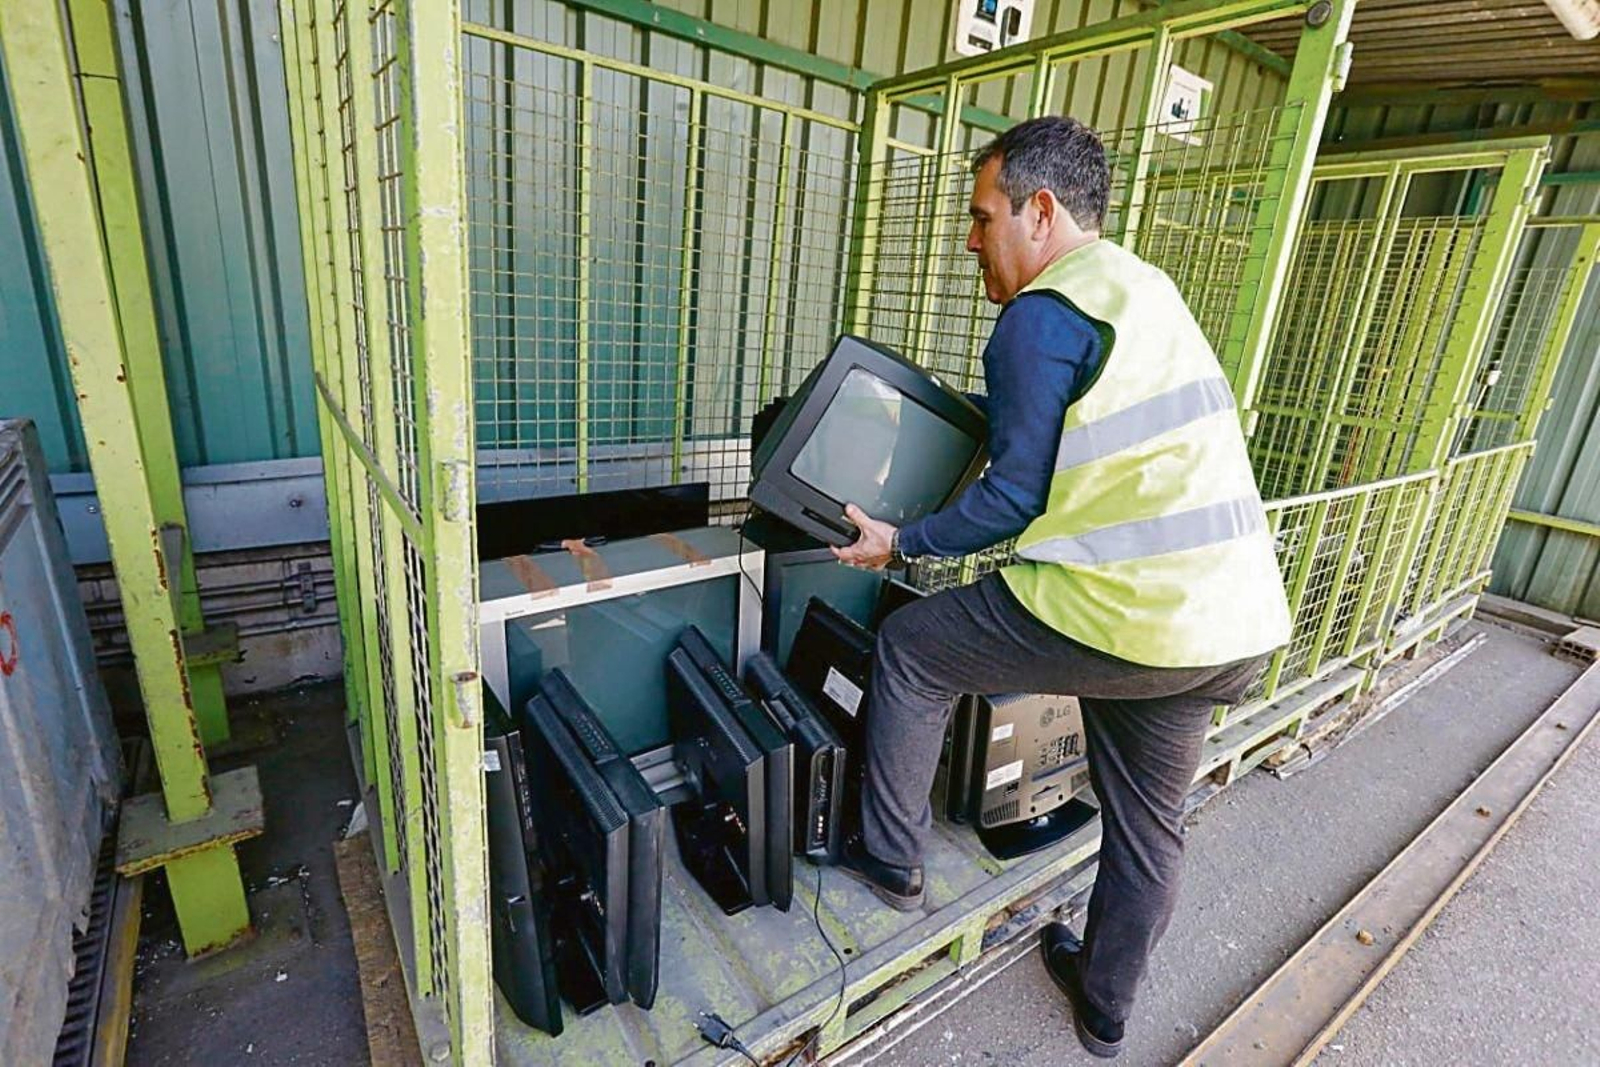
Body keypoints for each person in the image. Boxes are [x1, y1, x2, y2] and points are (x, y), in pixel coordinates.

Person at [830, 115, 1291, 1060]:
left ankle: (891, 860)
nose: (970, 240)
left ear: (1039, 212)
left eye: (981, 215)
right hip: (1228, 627)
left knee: (915, 650)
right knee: (1150, 824)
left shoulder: (1038, 317)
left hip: (1122, 611)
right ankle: (1106, 1006)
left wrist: (901, 540)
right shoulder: (1143, 291)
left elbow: (1010, 499)